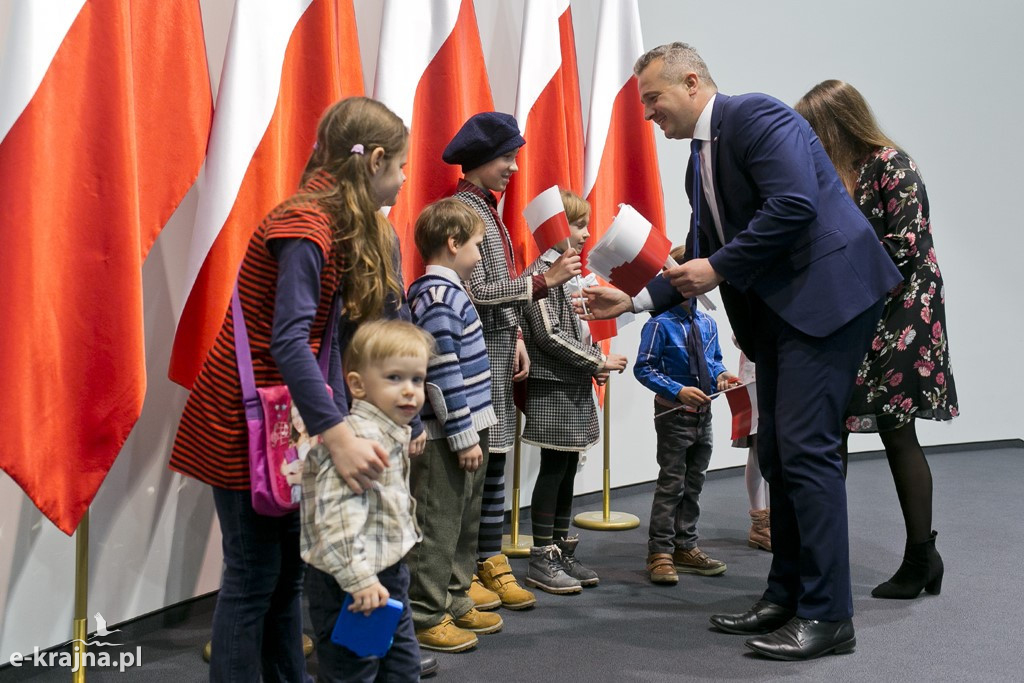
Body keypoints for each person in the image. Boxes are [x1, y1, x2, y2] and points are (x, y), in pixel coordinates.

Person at [578, 43, 902, 660]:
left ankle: (830, 617)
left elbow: (794, 206)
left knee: (806, 455)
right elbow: (701, 244)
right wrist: (632, 302)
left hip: (829, 303)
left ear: (693, 82)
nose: (649, 113)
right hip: (784, 317)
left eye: (654, 98)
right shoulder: (699, 158)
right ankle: (786, 596)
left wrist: (718, 267)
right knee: (779, 454)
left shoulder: (755, 116)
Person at [169, 96, 439, 680]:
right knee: (251, 579)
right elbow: (288, 341)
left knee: (287, 576)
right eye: (401, 165)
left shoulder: (336, 223)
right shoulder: (306, 225)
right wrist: (337, 432)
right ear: (373, 163)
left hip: (283, 424)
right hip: (245, 427)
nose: (403, 177)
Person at [795, 80, 958, 600]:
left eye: (815, 130)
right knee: (835, 426)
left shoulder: (893, 164)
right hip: (858, 310)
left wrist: (830, 266)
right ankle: (825, 563)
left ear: (838, 124)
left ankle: (921, 557)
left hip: (903, 310)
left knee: (896, 428)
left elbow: (906, 246)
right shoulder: (838, 174)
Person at [442, 112, 581, 610]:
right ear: (480, 160)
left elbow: (493, 291)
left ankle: (487, 558)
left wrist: (519, 330)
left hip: (498, 349)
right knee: (478, 464)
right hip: (475, 356)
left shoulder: (486, 208)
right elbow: (477, 290)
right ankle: (472, 566)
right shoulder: (463, 210)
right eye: (506, 157)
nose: (514, 168)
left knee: (494, 458)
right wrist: (543, 282)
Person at [301, 319, 431, 682]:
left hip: (389, 573)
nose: (409, 391)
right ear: (357, 385)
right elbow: (335, 522)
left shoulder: (392, 432)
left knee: (402, 668)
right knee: (352, 672)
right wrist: (358, 580)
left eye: (417, 380)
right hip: (350, 580)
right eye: (394, 378)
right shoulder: (359, 442)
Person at [404, 198, 502, 653]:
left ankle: (456, 596)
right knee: (438, 522)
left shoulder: (452, 293)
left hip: (468, 428)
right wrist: (463, 435)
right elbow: (442, 375)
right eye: (478, 247)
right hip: (450, 434)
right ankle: (425, 613)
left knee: (465, 518)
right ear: (452, 242)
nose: (481, 256)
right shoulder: (436, 296)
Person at [519, 189, 628, 594]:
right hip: (552, 388)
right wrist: (595, 362)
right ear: (556, 228)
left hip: (572, 385)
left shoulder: (567, 274)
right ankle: (542, 555)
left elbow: (577, 329)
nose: (585, 233)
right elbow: (548, 335)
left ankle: (560, 549)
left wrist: (592, 361)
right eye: (577, 224)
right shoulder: (542, 275)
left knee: (566, 469)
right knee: (553, 468)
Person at [634, 244, 738, 585]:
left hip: (703, 416)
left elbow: (716, 360)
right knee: (671, 484)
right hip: (673, 415)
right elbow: (644, 368)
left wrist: (722, 376)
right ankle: (659, 552)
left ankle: (685, 546)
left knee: (694, 483)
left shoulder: (707, 323)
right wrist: (677, 390)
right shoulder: (659, 324)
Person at [731, 344, 770, 552]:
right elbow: (739, 337)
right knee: (758, 449)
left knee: (773, 450)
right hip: (755, 379)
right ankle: (760, 523)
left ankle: (771, 520)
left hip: (780, 377)